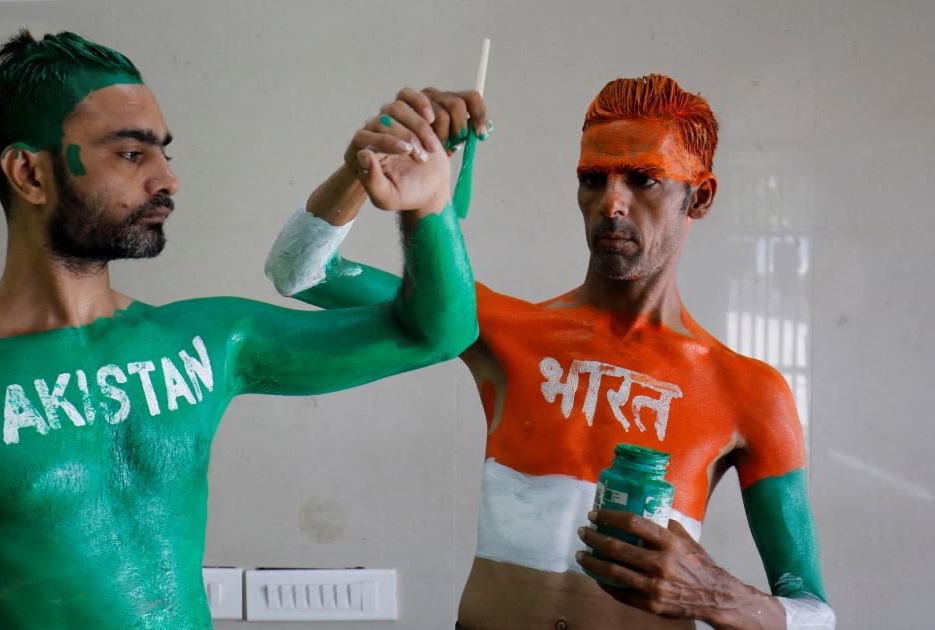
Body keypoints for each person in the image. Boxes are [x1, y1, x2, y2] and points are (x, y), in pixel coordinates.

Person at [0, 30, 478, 629]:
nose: (168, 179)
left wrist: (428, 205)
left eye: (163, 152)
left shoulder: (207, 341)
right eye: (132, 153)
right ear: (30, 173)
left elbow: (436, 334)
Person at [264, 76, 834, 629]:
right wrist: (361, 166)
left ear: (700, 196)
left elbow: (815, 613)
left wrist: (717, 595)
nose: (612, 202)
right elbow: (300, 271)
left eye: (643, 179)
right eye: (593, 179)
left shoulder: (749, 391)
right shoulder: (498, 327)